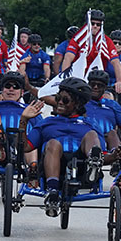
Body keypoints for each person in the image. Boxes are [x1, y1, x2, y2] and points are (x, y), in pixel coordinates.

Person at [19, 78, 107, 217]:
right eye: (58, 98)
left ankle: (93, 162)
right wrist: (24, 120)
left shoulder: (90, 124)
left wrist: (114, 156)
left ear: (77, 103)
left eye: (65, 100)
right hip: (53, 165)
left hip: (81, 167)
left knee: (91, 135)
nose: (59, 102)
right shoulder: (47, 122)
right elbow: (25, 147)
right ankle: (53, 194)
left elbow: (105, 153)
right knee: (53, 143)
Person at [60, 10, 121, 95]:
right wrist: (65, 79)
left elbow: (116, 62)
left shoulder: (106, 41)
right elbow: (68, 58)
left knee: (108, 98)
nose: (95, 26)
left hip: (96, 80)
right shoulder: (78, 38)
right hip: (78, 78)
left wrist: (119, 81)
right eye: (92, 23)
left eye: (98, 25)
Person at [85, 70, 121, 155]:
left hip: (107, 139)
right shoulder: (80, 103)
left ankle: (117, 156)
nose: (96, 87)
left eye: (99, 85)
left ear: (105, 88)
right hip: (85, 138)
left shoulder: (113, 105)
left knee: (112, 133)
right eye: (93, 84)